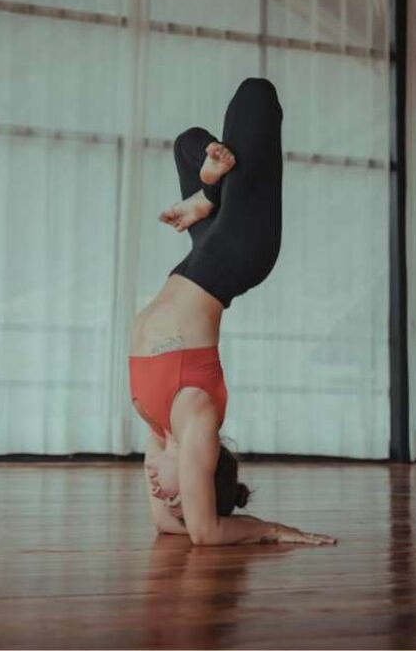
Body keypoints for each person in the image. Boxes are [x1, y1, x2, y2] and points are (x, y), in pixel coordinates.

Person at [129, 77, 336, 546]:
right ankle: (209, 198)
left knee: (188, 142)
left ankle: (209, 199)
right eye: (178, 497)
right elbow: (205, 533)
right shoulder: (196, 420)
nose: (162, 495)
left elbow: (166, 526)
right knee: (255, 95)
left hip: (204, 258)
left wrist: (175, 504)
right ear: (199, 466)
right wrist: (273, 530)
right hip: (241, 256)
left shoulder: (160, 427)